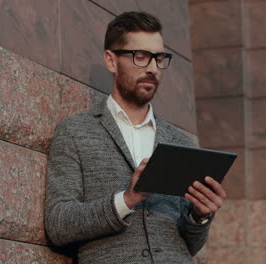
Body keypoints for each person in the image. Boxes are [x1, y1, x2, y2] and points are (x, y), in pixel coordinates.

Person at [45, 11, 226, 264]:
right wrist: (127, 199)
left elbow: (189, 244)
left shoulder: (180, 142)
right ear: (111, 61)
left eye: (159, 58)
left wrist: (200, 215)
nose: (153, 68)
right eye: (141, 57)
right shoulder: (75, 131)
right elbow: (58, 224)